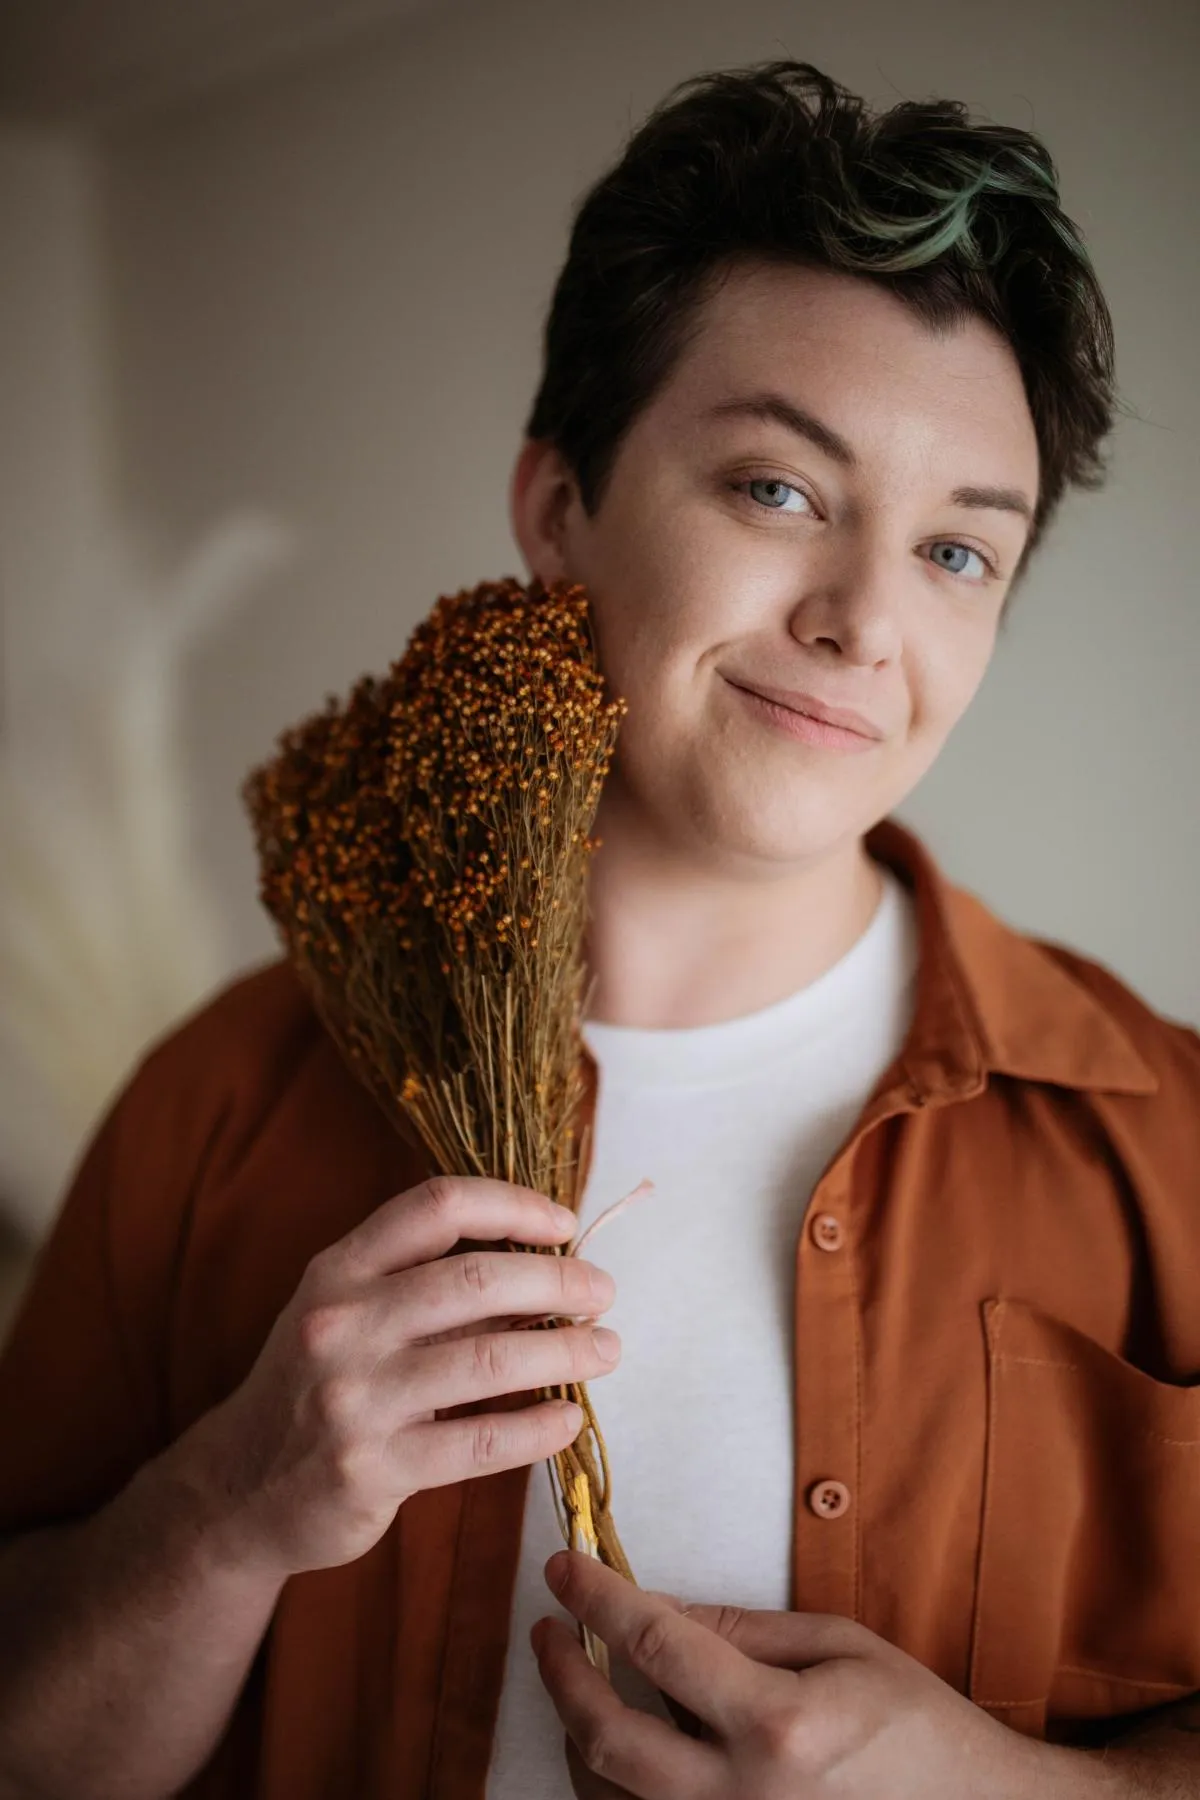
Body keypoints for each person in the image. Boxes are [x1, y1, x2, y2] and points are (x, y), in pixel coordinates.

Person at [1, 56, 1198, 1800]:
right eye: (779, 490)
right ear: (560, 512)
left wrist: (1023, 1790)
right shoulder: (219, 1108)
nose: (867, 617)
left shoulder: (1164, 1143)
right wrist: (226, 1507)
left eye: (959, 552)